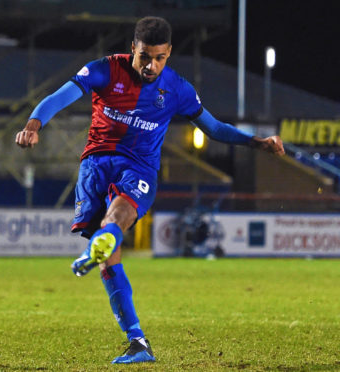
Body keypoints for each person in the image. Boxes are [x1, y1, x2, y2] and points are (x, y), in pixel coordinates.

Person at [15, 16, 284, 364]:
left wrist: (257, 142)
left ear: (169, 53)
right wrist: (33, 125)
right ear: (133, 49)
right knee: (108, 263)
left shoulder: (177, 90)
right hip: (96, 164)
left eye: (159, 57)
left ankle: (107, 237)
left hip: (139, 168)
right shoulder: (105, 70)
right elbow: (59, 96)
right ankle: (138, 343)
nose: (151, 65)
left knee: (116, 219)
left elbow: (214, 128)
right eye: (145, 56)